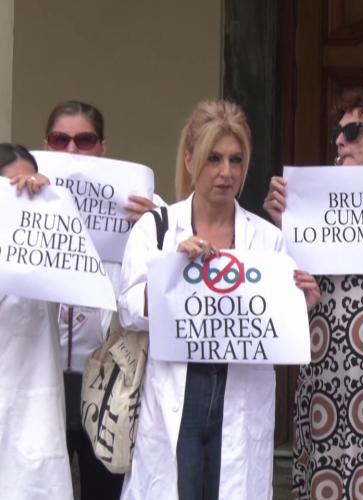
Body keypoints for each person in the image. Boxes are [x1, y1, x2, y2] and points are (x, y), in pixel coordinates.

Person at [118, 100, 320, 499]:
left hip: (238, 392)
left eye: (235, 160)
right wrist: (173, 270)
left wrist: (301, 308)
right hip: (181, 392)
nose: (226, 173)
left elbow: (277, 334)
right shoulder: (157, 229)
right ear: (191, 159)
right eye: (214, 159)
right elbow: (128, 311)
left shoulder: (267, 239)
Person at [263, 92, 363, 499]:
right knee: (328, 480)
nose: (340, 141)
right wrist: (285, 226)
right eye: (338, 133)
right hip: (329, 377)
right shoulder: (314, 204)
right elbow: (287, 299)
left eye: (353, 132)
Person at [44, 99, 161, 499]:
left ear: (103, 146)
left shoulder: (135, 207)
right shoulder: (23, 201)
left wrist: (153, 224)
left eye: (84, 139)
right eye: (61, 140)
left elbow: (164, 267)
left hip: (108, 378)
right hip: (46, 376)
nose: (72, 150)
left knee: (103, 489)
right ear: (46, 144)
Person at [0, 144, 73, 499]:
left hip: (33, 411)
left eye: (32, 184)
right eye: (14, 186)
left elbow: (84, 278)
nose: (25, 194)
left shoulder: (49, 241)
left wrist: (51, 211)